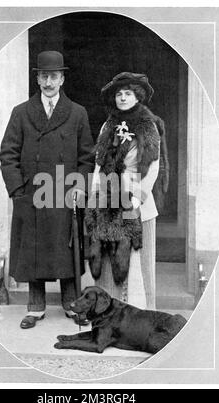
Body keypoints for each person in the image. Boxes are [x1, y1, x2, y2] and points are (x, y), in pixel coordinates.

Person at [0, 51, 94, 329]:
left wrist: (79, 187)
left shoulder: (77, 113)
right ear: (38, 79)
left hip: (65, 194)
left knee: (66, 248)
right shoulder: (21, 112)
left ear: (62, 79)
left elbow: (87, 157)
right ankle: (36, 307)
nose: (48, 81)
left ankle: (71, 304)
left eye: (54, 76)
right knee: (34, 250)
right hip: (32, 196)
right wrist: (18, 191)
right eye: (44, 76)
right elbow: (8, 154)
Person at [86, 72, 166, 310]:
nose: (122, 98)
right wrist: (95, 196)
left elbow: (153, 166)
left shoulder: (148, 125)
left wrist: (137, 198)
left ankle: (140, 312)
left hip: (136, 201)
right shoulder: (108, 124)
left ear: (137, 96)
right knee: (109, 260)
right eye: (119, 94)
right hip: (108, 201)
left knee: (136, 260)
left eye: (127, 93)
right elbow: (99, 163)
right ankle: (110, 314)